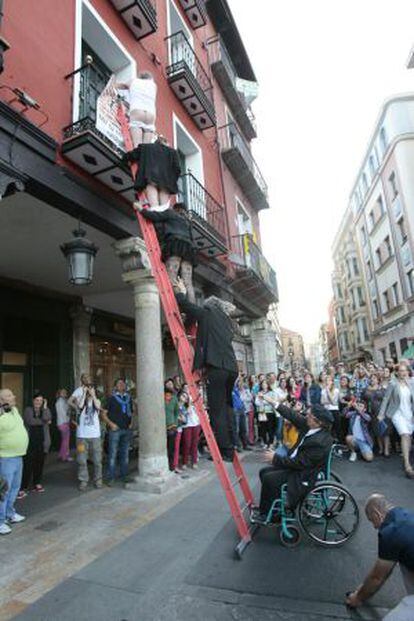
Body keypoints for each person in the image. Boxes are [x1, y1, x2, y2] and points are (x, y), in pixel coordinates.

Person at [174, 278, 239, 462]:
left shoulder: (207, 313)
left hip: (217, 368)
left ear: (209, 306)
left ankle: (225, 451)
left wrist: (181, 291)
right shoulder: (226, 321)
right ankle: (232, 445)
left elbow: (186, 305)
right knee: (227, 407)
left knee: (217, 411)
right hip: (231, 368)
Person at [251, 402, 334, 523]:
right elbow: (293, 416)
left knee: (270, 478)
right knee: (264, 472)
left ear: (318, 422)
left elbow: (300, 463)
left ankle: (270, 514)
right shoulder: (311, 426)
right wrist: (275, 404)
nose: (306, 416)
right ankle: (272, 508)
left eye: (309, 415)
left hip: (304, 474)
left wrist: (275, 458)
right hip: (299, 466)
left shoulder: (319, 442)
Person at [346, 494, 414, 620]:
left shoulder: (390, 531)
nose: (375, 527)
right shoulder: (405, 515)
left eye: (372, 520)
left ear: (377, 514)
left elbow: (377, 577)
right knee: (403, 560)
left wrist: (357, 598)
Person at [137, 202, 196, 303]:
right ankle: (193, 312)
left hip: (175, 245)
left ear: (175, 208)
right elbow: (192, 239)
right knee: (188, 283)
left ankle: (173, 303)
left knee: (171, 278)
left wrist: (141, 209)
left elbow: (154, 216)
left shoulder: (170, 213)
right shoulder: (188, 222)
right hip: (188, 249)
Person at [0, 389, 28, 535]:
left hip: (18, 456)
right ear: (1, 400)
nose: (14, 396)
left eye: (12, 394)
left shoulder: (15, 410)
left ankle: (9, 514)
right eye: (10, 395)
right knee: (3, 491)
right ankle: (0, 521)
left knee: (15, 488)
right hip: (5, 458)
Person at [378, 362, 414, 478]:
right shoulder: (393, 384)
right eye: (401, 370)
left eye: (405, 370)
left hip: (409, 413)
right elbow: (386, 399)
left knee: (408, 436)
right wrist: (381, 414)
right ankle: (407, 464)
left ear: (408, 372)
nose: (403, 373)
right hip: (397, 414)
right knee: (405, 435)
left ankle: (406, 455)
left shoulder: (412, 383)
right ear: (397, 372)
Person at [70, 375, 103, 491]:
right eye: (88, 389)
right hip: (81, 437)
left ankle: (98, 479)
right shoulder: (81, 402)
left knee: (97, 460)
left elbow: (98, 406)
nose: (89, 391)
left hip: (95, 436)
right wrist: (84, 393)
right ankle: (83, 480)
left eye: (91, 389)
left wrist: (93, 394)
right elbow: (79, 406)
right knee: (81, 459)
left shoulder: (96, 402)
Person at [130, 136, 182, 211]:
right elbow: (177, 169)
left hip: (151, 177)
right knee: (163, 207)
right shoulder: (173, 152)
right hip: (166, 182)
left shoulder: (147, 147)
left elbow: (133, 154)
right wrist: (172, 180)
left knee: (154, 203)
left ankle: (155, 212)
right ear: (166, 144)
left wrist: (125, 159)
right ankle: (161, 217)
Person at [112, 70, 157, 146]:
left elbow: (124, 86)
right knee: (146, 149)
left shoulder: (134, 81)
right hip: (150, 115)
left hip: (137, 112)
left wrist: (113, 85)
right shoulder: (153, 86)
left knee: (137, 146)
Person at [102, 379, 133, 486]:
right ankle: (111, 477)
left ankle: (124, 475)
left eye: (123, 383)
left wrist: (131, 423)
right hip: (115, 430)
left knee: (125, 454)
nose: (121, 385)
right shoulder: (111, 398)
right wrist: (111, 424)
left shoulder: (128, 398)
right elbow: (103, 414)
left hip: (126, 429)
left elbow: (131, 413)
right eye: (119, 384)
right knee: (112, 454)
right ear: (115, 386)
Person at [21, 393, 52, 494]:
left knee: (39, 463)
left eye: (41, 401)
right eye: (37, 400)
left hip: (42, 442)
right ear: (33, 401)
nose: (39, 402)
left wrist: (46, 407)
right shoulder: (28, 410)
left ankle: (37, 483)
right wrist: (44, 421)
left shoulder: (44, 410)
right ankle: (23, 486)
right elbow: (31, 421)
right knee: (27, 465)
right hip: (30, 442)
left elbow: (48, 417)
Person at [363, 374, 386, 456]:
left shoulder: (382, 389)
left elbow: (385, 400)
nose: (372, 380)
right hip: (369, 411)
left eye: (374, 378)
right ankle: (373, 447)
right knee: (370, 430)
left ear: (378, 380)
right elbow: (363, 399)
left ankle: (382, 448)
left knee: (379, 430)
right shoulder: (366, 389)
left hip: (379, 411)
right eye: (371, 378)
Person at [181, 392, 201, 469]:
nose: (187, 399)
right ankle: (184, 462)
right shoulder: (183, 406)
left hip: (196, 425)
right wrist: (189, 405)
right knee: (187, 444)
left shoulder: (194, 406)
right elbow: (186, 413)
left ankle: (194, 461)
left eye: (187, 397)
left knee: (195, 444)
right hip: (187, 426)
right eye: (185, 397)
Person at [165, 385, 180, 471]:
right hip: (161, 427)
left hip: (172, 427)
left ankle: (171, 466)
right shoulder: (160, 399)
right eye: (166, 394)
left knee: (171, 448)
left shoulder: (174, 399)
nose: (168, 396)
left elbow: (176, 412)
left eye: (169, 394)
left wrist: (175, 424)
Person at [321, 375, 340, 441]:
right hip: (326, 410)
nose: (327, 382)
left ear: (332, 382)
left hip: (334, 410)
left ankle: (336, 440)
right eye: (326, 380)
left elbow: (334, 402)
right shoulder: (323, 390)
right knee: (327, 427)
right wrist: (330, 400)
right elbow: (322, 401)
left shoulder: (336, 390)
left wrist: (328, 391)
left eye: (329, 380)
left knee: (335, 427)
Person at [55, 388, 72, 462]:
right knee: (66, 441)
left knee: (64, 440)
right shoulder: (60, 402)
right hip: (63, 423)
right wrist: (69, 418)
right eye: (63, 392)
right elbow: (63, 413)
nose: (65, 393)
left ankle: (61, 455)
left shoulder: (62, 401)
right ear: (60, 393)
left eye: (65, 392)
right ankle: (65, 456)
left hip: (63, 422)